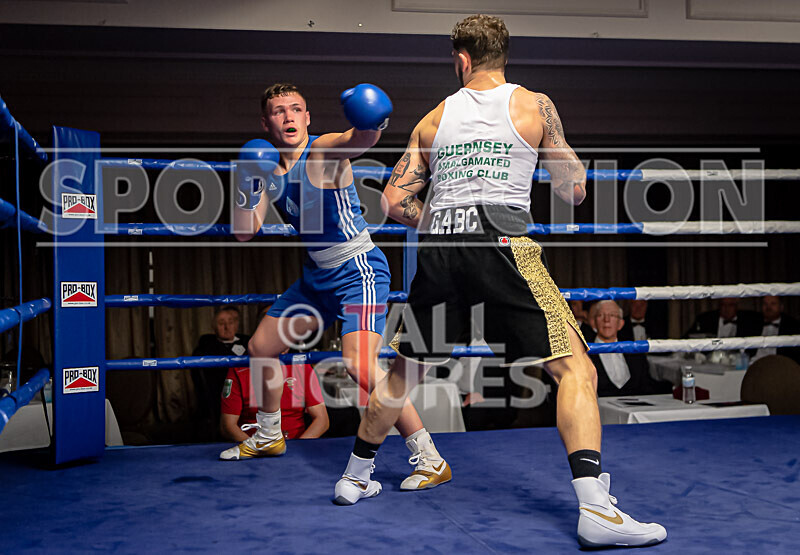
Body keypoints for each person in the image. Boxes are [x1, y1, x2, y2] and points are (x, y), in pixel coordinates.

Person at [333, 15, 666, 548]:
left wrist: (443, 218)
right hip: (502, 244)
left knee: (402, 374)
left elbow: (392, 201)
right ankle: (596, 510)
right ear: (502, 56)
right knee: (575, 369)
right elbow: (574, 189)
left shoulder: (432, 118)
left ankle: (353, 477)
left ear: (461, 60)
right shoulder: (534, 104)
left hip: (441, 251)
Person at [220, 82, 449, 493]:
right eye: (278, 111)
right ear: (265, 121)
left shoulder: (322, 150)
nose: (288, 117)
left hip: (357, 270)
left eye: (296, 109)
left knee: (360, 365)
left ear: (308, 117)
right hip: (315, 279)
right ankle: (270, 434)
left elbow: (358, 140)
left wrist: (371, 120)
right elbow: (243, 231)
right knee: (261, 348)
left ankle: (429, 456)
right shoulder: (268, 168)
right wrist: (248, 181)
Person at [220, 359, 329, 442]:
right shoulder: (239, 368)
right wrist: (255, 448)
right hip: (253, 445)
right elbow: (228, 425)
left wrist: (298, 447)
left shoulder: (302, 367)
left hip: (295, 444)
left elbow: (322, 420)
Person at [192, 305, 251, 439]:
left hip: (249, 392)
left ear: (236, 324)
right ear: (214, 327)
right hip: (221, 395)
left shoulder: (249, 343)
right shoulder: (206, 346)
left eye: (230, 322)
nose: (227, 327)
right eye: (221, 323)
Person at [590, 301, 671, 397]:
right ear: (593, 323)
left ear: (620, 323)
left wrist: (675, 388)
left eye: (612, 315)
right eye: (601, 315)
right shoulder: (583, 354)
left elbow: (647, 385)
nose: (606, 320)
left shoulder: (634, 350)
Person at [752, 295, 800, 363]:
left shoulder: (792, 326)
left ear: (781, 307)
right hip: (754, 366)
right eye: (765, 304)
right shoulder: (753, 324)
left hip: (779, 366)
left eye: (773, 304)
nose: (768, 307)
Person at [684, 297, 761, 339]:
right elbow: (688, 337)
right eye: (723, 305)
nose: (726, 309)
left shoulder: (748, 320)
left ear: (737, 306)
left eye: (730, 305)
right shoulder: (706, 319)